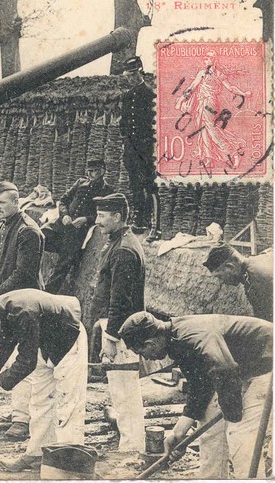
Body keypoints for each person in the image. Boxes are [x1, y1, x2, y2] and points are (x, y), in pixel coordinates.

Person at [120, 311, 273, 478]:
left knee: (239, 434)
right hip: (242, 369)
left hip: (266, 363)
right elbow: (200, 384)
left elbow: (224, 369)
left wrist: (233, 415)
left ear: (149, 343)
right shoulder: (175, 339)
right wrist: (179, 432)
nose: (147, 358)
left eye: (142, 352)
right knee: (211, 426)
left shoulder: (193, 336)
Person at [0, 289, 88, 472]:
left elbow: (26, 361)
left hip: (68, 342)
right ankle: (37, 455)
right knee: (40, 399)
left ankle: (68, 463)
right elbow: (7, 334)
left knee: (67, 405)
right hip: (43, 342)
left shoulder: (24, 312)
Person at [0, 181, 43, 439]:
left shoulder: (28, 232)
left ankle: (22, 420)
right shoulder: (1, 227)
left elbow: (22, 275)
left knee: (23, 357)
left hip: (24, 302)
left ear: (16, 202)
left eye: (2, 203)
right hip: (4, 300)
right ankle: (18, 410)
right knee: (5, 351)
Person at [93, 192, 146, 453]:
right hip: (118, 328)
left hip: (122, 332)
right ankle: (130, 443)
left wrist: (111, 337)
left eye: (102, 216)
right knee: (121, 391)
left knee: (125, 392)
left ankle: (132, 448)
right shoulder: (119, 242)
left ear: (117, 217)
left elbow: (120, 300)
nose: (97, 221)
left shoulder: (124, 250)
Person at [41, 158, 113, 294]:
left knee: (63, 265)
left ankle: (48, 292)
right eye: (89, 171)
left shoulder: (107, 191)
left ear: (102, 171)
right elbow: (63, 200)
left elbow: (105, 215)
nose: (91, 174)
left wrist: (86, 219)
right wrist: (65, 214)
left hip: (78, 230)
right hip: (63, 223)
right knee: (40, 236)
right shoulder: (80, 183)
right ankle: (72, 255)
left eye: (94, 171)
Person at [175, 49, 251, 170]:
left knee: (212, 130)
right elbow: (192, 88)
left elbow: (230, 88)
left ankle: (234, 153)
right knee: (203, 130)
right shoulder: (203, 73)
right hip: (202, 103)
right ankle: (208, 159)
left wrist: (243, 93)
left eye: (207, 58)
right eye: (204, 58)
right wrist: (181, 100)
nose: (204, 60)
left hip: (209, 103)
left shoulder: (216, 74)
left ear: (213, 60)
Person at [120, 56, 160, 239]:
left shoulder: (150, 94)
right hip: (131, 149)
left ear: (140, 72)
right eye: (129, 75)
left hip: (146, 148)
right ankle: (139, 221)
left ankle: (155, 226)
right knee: (135, 184)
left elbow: (155, 124)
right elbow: (124, 123)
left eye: (134, 74)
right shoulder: (127, 97)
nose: (131, 78)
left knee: (150, 185)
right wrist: (127, 144)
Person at [203, 242, 273, 321]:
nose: (221, 281)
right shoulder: (259, 259)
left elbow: (267, 323)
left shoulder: (254, 281)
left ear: (231, 267)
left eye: (220, 276)